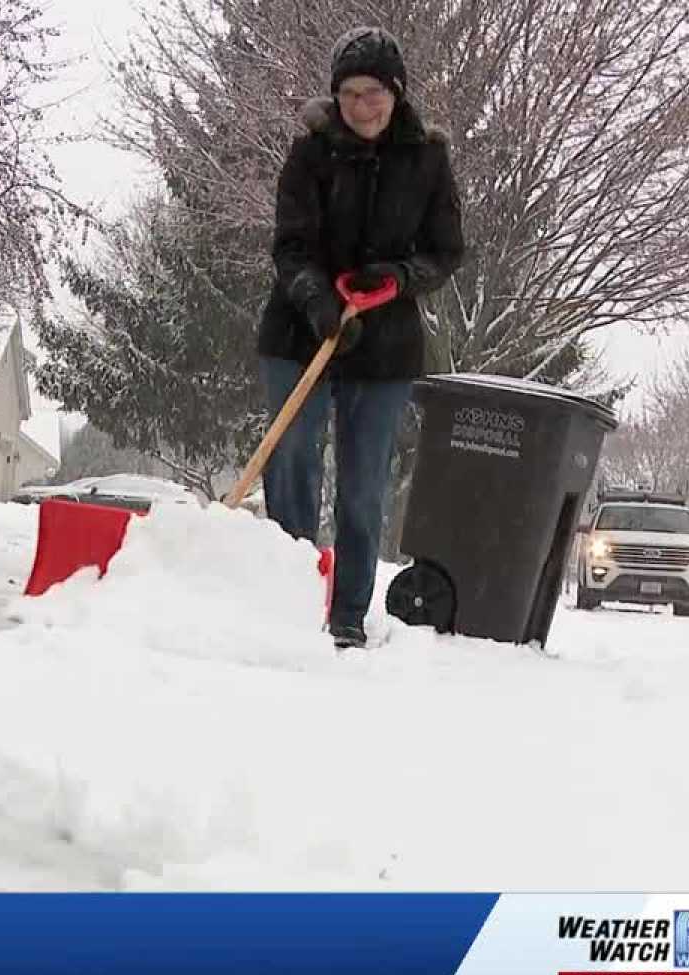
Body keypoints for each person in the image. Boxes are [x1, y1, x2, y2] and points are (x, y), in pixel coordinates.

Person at [253, 26, 465, 648]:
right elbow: (290, 246)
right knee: (290, 456)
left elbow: (446, 252)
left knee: (364, 483)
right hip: (300, 330)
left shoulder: (428, 157)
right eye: (348, 93)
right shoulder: (311, 154)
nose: (361, 105)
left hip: (385, 343)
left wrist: (398, 279)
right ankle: (289, 595)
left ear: (396, 92)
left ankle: (347, 611)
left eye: (372, 91)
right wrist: (318, 300)